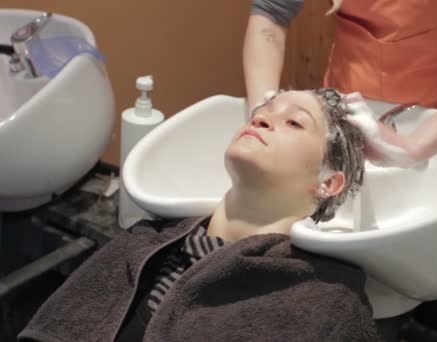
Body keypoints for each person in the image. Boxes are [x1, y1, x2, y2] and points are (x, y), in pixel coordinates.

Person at [18, 89, 385, 342]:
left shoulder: (326, 302)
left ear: (329, 183)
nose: (261, 121)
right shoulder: (145, 244)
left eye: (294, 123)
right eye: (261, 115)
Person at [243, 0, 437, 221]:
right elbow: (270, 14)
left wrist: (412, 148)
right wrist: (264, 111)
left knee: (428, 276)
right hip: (346, 129)